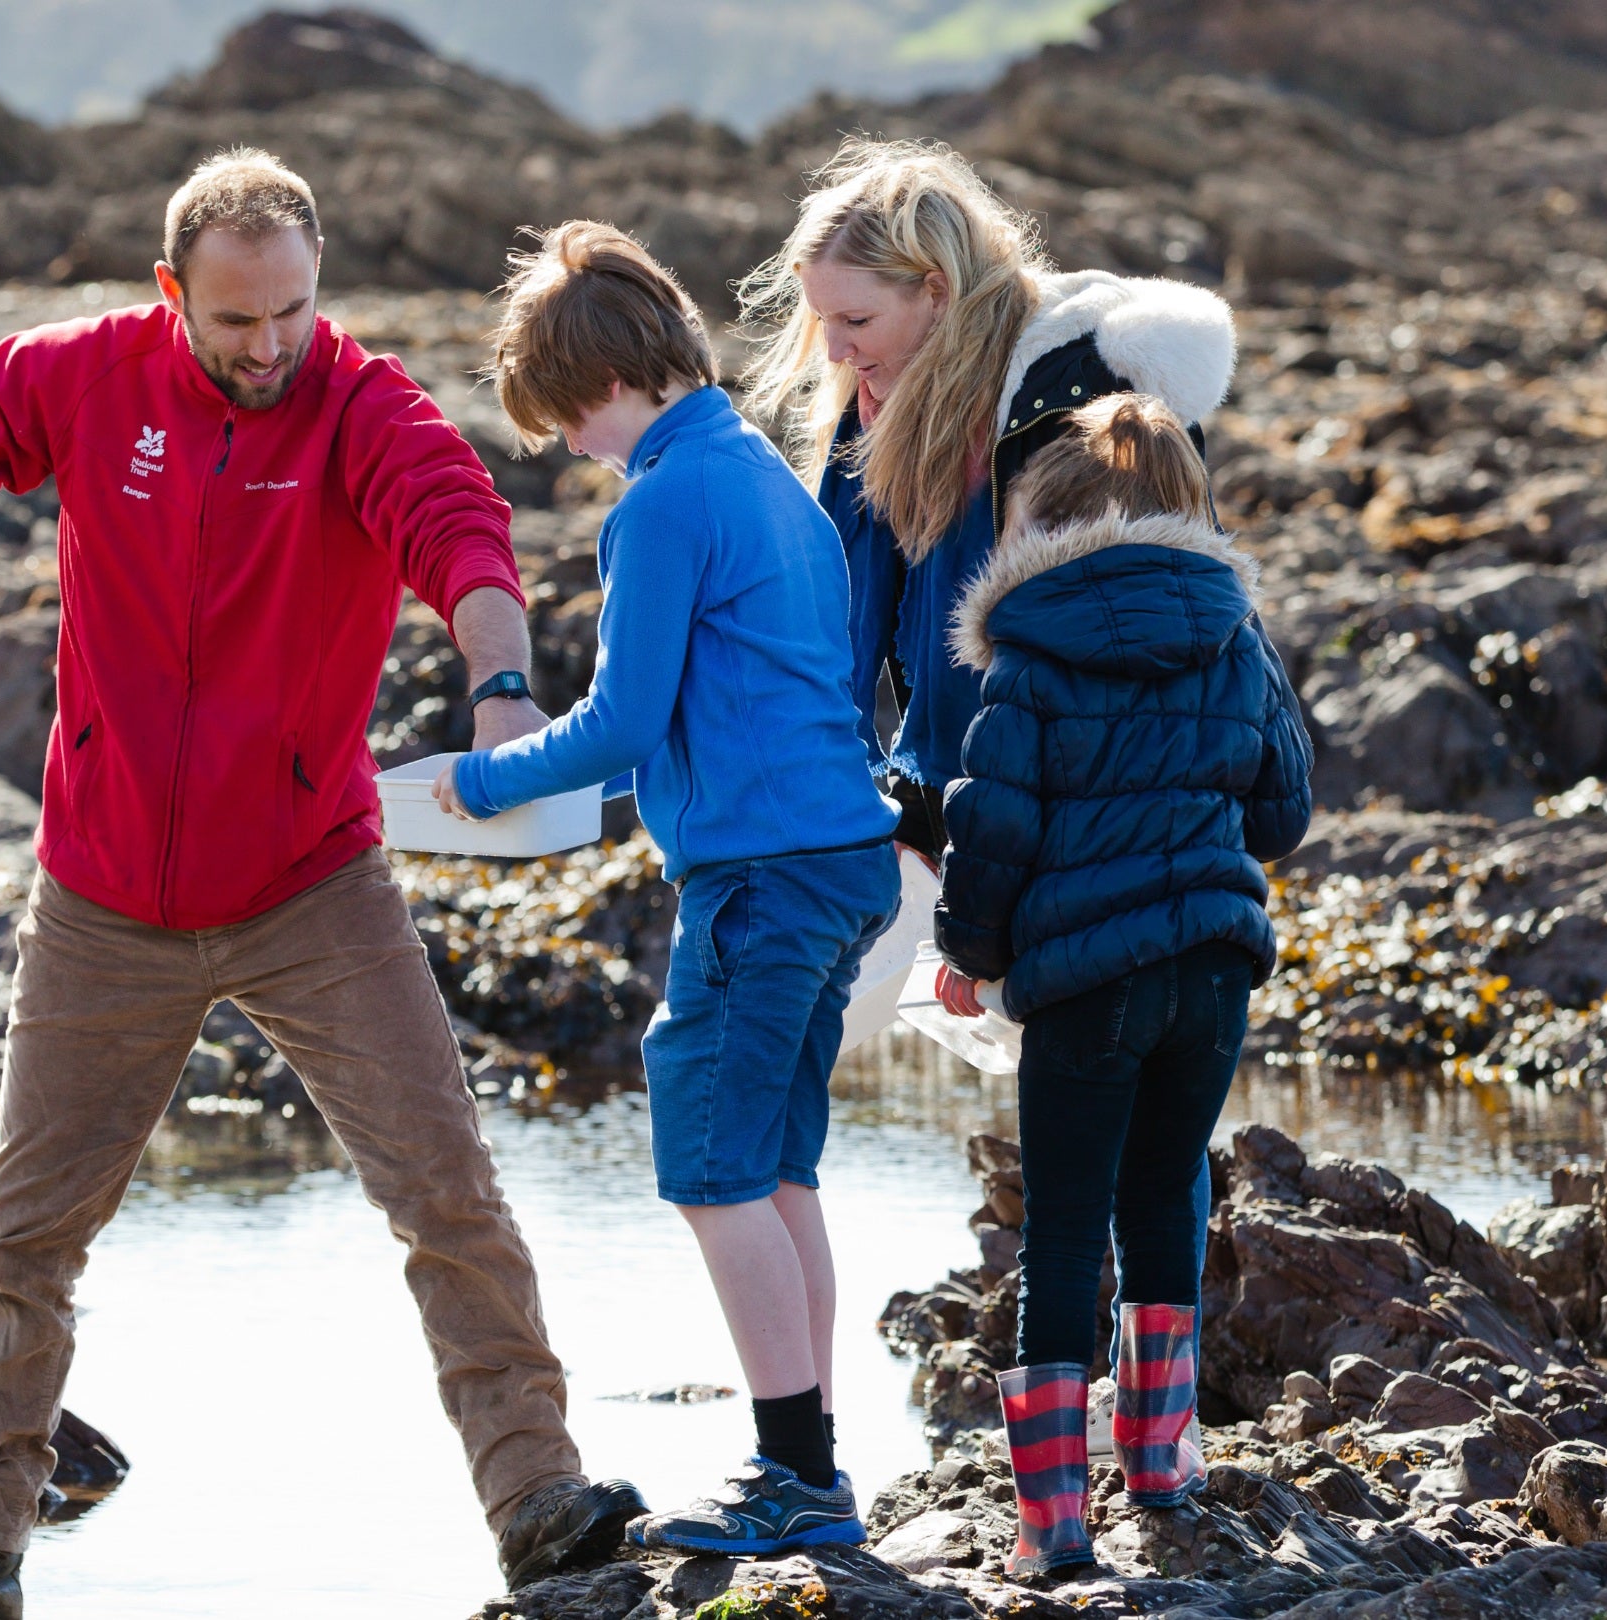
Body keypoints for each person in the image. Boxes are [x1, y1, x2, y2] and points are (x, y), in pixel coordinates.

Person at [0, 150, 643, 1620]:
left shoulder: (360, 406)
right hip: (104, 895)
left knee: (445, 1187)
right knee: (29, 1237)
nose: (267, 351)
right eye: (236, 322)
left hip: (313, 882)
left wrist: (505, 687)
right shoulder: (79, 380)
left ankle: (537, 1504)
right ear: (169, 293)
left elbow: (460, 530)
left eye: (293, 317)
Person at [431, 220, 901, 1555]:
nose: (575, 452)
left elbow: (627, 721)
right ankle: (812, 1467)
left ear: (602, 384)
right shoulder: (762, 473)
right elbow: (729, 715)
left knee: (708, 1172)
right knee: (777, 1167)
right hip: (839, 862)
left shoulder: (663, 498)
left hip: (760, 882)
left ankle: (797, 1480)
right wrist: (560, 794)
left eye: (564, 423)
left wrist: (489, 780)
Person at [927, 394, 1312, 1578]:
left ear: (1045, 527)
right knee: (1163, 1197)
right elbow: (1283, 810)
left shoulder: (1031, 656)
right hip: (1208, 973)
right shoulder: (1237, 634)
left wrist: (969, 951)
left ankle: (1053, 1524)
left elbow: (992, 827)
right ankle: (1161, 1462)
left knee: (1061, 1228)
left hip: (1087, 985)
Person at [737, 138, 1239, 865]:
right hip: (954, 808)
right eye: (825, 323)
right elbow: (836, 626)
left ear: (936, 292)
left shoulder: (1089, 394)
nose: (834, 353)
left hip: (1098, 825)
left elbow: (1173, 629)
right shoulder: (870, 403)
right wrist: (862, 809)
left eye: (856, 321)